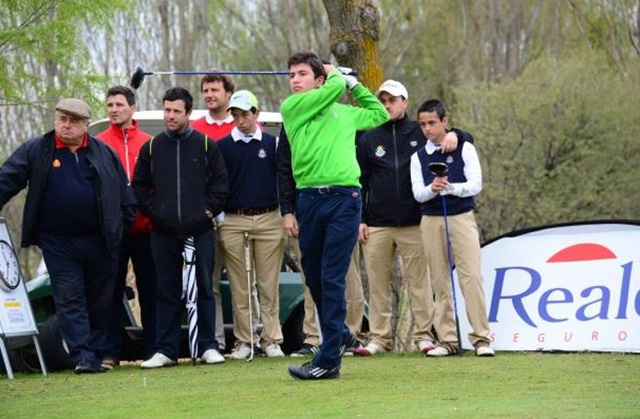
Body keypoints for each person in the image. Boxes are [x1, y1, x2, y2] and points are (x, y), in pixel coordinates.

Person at [0, 98, 136, 374]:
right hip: (58, 242)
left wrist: (121, 227)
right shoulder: (37, 149)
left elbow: (124, 195)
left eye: (73, 121)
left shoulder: (103, 152)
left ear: (86, 125)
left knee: (100, 299)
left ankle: (96, 353)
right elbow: (7, 179)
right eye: (62, 119)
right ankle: (83, 357)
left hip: (100, 240)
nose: (66, 125)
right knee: (69, 297)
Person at [281, 51, 389, 380]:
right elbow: (332, 88)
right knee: (312, 274)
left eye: (302, 74)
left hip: (345, 198)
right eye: (292, 75)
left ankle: (328, 360)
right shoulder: (292, 108)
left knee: (330, 276)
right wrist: (336, 74)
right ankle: (339, 332)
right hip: (310, 199)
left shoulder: (344, 112)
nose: (295, 80)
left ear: (318, 80)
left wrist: (355, 84)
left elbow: (379, 113)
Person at [354, 80, 469, 356]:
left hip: (414, 221)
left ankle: (423, 335)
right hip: (377, 224)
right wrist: (361, 218)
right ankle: (380, 338)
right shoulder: (368, 137)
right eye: (383, 101)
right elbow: (360, 182)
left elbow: (456, 139)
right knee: (378, 284)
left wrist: (458, 134)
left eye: (393, 100)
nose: (387, 105)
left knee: (419, 283)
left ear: (405, 102)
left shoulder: (420, 131)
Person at [133, 87, 229, 368]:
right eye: (167, 110)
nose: (170, 116)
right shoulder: (152, 147)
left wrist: (206, 213)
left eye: (176, 111)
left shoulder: (206, 145)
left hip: (200, 230)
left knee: (204, 288)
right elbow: (139, 187)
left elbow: (221, 187)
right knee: (166, 290)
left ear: (188, 113)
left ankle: (207, 346)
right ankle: (166, 350)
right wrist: (156, 214)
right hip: (162, 232)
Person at [410, 99, 494, 357]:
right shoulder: (418, 156)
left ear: (444, 122)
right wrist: (432, 189)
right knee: (440, 279)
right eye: (423, 124)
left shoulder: (464, 147)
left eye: (432, 123)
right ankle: (448, 341)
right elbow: (418, 194)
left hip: (461, 216)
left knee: (471, 276)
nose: (427, 128)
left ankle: (481, 339)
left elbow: (476, 183)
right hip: (431, 219)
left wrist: (452, 188)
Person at [277, 129, 366, 357]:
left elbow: (370, 152)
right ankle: (330, 335)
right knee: (314, 278)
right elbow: (285, 168)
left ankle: (346, 335)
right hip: (308, 208)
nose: (295, 89)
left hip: (345, 206)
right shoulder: (293, 119)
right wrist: (287, 210)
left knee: (342, 276)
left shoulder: (343, 116)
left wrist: (362, 216)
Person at [216, 90, 286, 359]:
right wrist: (221, 216)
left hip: (269, 218)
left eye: (245, 114)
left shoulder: (272, 144)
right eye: (235, 115)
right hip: (233, 219)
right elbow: (219, 184)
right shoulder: (222, 146)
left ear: (256, 114)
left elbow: (282, 180)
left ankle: (271, 340)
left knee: (268, 285)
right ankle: (245, 341)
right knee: (240, 285)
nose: (240, 120)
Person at [96, 85, 157, 367]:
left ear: (133, 108)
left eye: (119, 104)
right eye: (110, 105)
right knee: (110, 292)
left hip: (147, 229)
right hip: (112, 232)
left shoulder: (150, 142)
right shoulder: (97, 143)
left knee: (151, 290)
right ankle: (109, 351)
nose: (114, 109)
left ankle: (153, 349)